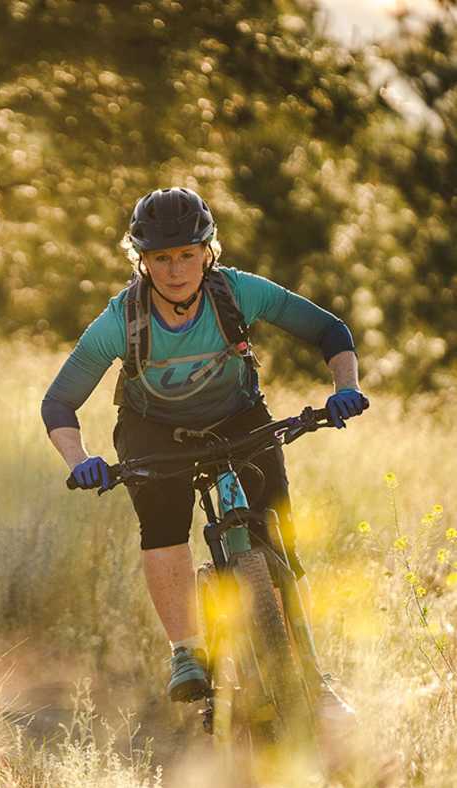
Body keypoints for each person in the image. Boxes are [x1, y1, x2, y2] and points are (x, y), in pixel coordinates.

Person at [41, 187, 368, 704]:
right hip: (153, 429)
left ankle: (312, 677)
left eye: (187, 255)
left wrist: (345, 388)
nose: (176, 270)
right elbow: (59, 404)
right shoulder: (121, 321)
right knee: (164, 525)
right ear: (141, 260)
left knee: (277, 537)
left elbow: (330, 331)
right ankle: (186, 651)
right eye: (161, 258)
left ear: (207, 252)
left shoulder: (237, 294)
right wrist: (80, 461)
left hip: (239, 419)